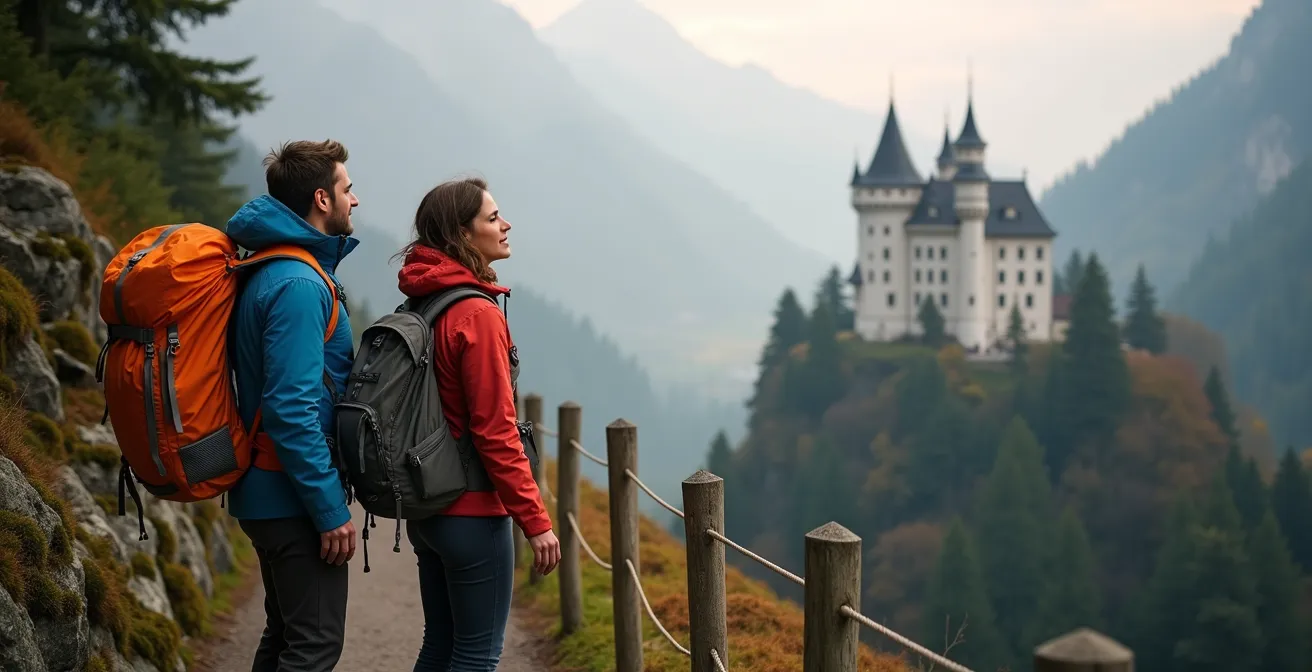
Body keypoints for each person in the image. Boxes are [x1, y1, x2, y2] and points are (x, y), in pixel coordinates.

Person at [395, 176, 560, 671]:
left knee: (440, 645)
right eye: (492, 218)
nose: (505, 224)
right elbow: (495, 431)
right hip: (472, 511)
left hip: (430, 506)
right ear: (463, 236)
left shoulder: (424, 301)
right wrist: (536, 521)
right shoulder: (476, 313)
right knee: (476, 656)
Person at [226, 139, 361, 671]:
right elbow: (290, 408)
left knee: (284, 637)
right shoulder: (301, 284)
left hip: (268, 489)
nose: (356, 199)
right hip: (289, 493)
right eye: (348, 189)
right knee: (314, 645)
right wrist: (329, 509)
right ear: (322, 199)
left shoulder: (268, 267)